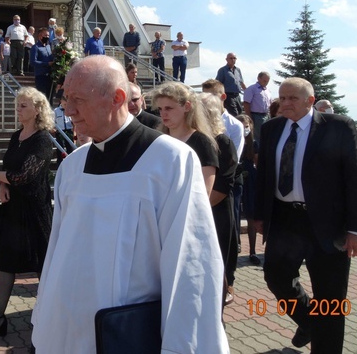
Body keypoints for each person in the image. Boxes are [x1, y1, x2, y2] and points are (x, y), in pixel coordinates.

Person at [32, 57, 228, 353]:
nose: (67, 110)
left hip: (131, 335)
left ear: (118, 98)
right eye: (65, 98)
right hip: (68, 333)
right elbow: (56, 254)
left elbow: (191, 268)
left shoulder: (171, 161)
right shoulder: (71, 168)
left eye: (77, 100)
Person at [253, 77, 357, 351]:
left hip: (328, 224)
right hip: (285, 219)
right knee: (275, 275)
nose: (285, 104)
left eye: (292, 98)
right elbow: (264, 176)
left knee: (329, 297)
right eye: (282, 98)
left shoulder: (338, 127)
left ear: (310, 100)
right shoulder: (272, 129)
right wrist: (259, 214)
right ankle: (309, 320)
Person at [0, 88, 54, 341]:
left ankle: (50, 321)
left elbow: (25, 176)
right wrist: (4, 184)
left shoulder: (42, 139)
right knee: (5, 264)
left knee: (43, 266)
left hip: (34, 212)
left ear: (38, 109)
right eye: (18, 105)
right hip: (12, 211)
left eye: (24, 106)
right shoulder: (16, 135)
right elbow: (10, 170)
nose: (18, 109)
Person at [199, 92, 239, 307]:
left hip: (217, 210)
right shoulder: (197, 138)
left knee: (219, 257)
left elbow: (223, 185)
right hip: (199, 210)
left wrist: (197, 209)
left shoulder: (223, 142)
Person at [236, 114, 260, 266]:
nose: (245, 128)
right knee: (236, 213)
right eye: (241, 125)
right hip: (237, 177)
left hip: (251, 179)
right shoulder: (233, 140)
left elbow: (258, 162)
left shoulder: (254, 144)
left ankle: (253, 251)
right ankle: (236, 245)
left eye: (247, 125)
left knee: (251, 215)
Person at [244, 71, 273, 142]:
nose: (266, 82)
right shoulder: (252, 89)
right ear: (258, 78)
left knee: (266, 135)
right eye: (264, 80)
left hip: (266, 115)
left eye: (267, 81)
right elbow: (246, 103)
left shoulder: (268, 91)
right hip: (256, 116)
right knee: (258, 137)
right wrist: (249, 117)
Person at [30, 27, 53, 99]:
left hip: (50, 76)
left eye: (48, 36)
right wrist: (46, 64)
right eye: (46, 36)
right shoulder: (35, 47)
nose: (47, 37)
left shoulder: (49, 46)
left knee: (50, 98)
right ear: (40, 36)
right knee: (42, 98)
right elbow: (33, 62)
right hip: (41, 77)